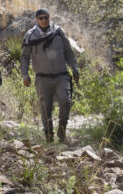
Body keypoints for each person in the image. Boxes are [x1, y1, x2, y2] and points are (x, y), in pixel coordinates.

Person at [21, 8, 79, 142]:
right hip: (42, 78)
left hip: (61, 76)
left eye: (46, 17)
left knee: (66, 101)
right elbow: (24, 57)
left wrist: (74, 68)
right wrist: (25, 74)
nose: (43, 20)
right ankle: (49, 137)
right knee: (45, 109)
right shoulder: (30, 36)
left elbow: (68, 51)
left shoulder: (59, 32)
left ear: (49, 18)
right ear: (36, 20)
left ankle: (62, 131)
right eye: (40, 18)